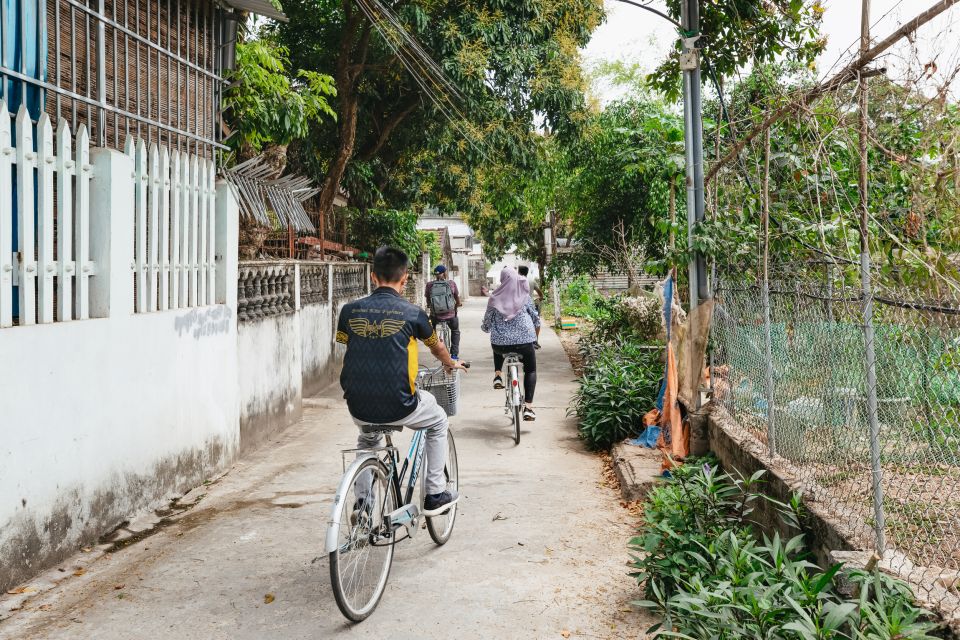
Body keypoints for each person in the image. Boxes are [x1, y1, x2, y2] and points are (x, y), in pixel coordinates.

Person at [336, 247, 466, 517]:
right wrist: (451, 363)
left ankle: (363, 506)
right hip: (401, 403)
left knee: (367, 440)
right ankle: (434, 493)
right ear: (405, 278)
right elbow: (438, 347)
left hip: (357, 404)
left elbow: (347, 345)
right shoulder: (413, 313)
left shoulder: (348, 311)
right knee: (439, 420)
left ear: (373, 277)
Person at [482, 267, 541, 421]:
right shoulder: (525, 296)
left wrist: (487, 328)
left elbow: (487, 323)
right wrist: (534, 331)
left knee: (497, 341)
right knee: (531, 370)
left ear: (502, 280)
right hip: (525, 342)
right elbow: (535, 318)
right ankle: (528, 408)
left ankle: (498, 375)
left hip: (500, 345)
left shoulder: (494, 298)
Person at [425, 265, 462, 360]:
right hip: (450, 316)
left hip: (436, 316)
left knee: (431, 329)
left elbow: (428, 300)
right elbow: (456, 297)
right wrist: (458, 304)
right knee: (455, 331)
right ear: (445, 273)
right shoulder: (451, 283)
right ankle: (454, 355)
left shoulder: (429, 285)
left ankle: (436, 350)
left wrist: (430, 306)